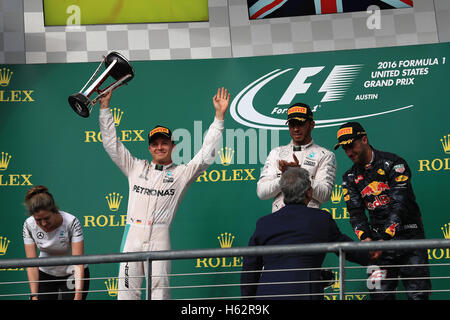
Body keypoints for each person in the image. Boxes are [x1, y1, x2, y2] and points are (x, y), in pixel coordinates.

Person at [99, 87, 230, 300]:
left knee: (159, 294)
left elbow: (206, 155)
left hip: (160, 236)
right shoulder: (135, 167)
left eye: (164, 143)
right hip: (132, 235)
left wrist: (219, 117)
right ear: (150, 148)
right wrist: (104, 108)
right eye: (155, 144)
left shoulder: (181, 173)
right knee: (126, 295)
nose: (160, 147)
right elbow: (111, 144)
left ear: (172, 145)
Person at [335, 121, 431, 300]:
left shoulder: (395, 164)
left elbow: (399, 205)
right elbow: (355, 213)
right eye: (344, 148)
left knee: (419, 295)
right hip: (378, 246)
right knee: (378, 296)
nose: (348, 152)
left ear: (364, 139)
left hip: (409, 240)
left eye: (351, 145)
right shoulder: (349, 177)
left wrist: (384, 237)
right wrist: (366, 239)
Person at [241, 167, 368, 300]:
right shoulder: (321, 219)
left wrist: (248, 303)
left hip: (267, 295)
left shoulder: (264, 223)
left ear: (284, 193)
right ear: (308, 192)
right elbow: (347, 249)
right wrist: (377, 256)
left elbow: (250, 268)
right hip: (306, 294)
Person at [257, 103, 336, 212]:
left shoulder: (325, 155)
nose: (296, 129)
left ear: (312, 124)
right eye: (292, 124)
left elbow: (325, 195)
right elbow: (262, 192)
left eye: (300, 124)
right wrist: (285, 177)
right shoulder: (276, 153)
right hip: (280, 220)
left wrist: (299, 174)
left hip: (308, 221)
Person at [22, 185, 89, 300]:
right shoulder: (28, 225)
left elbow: (78, 262)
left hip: (72, 273)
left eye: (47, 218)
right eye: (38, 220)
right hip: (45, 273)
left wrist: (78, 294)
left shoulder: (71, 222)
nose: (43, 223)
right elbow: (32, 264)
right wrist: (34, 295)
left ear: (55, 211)